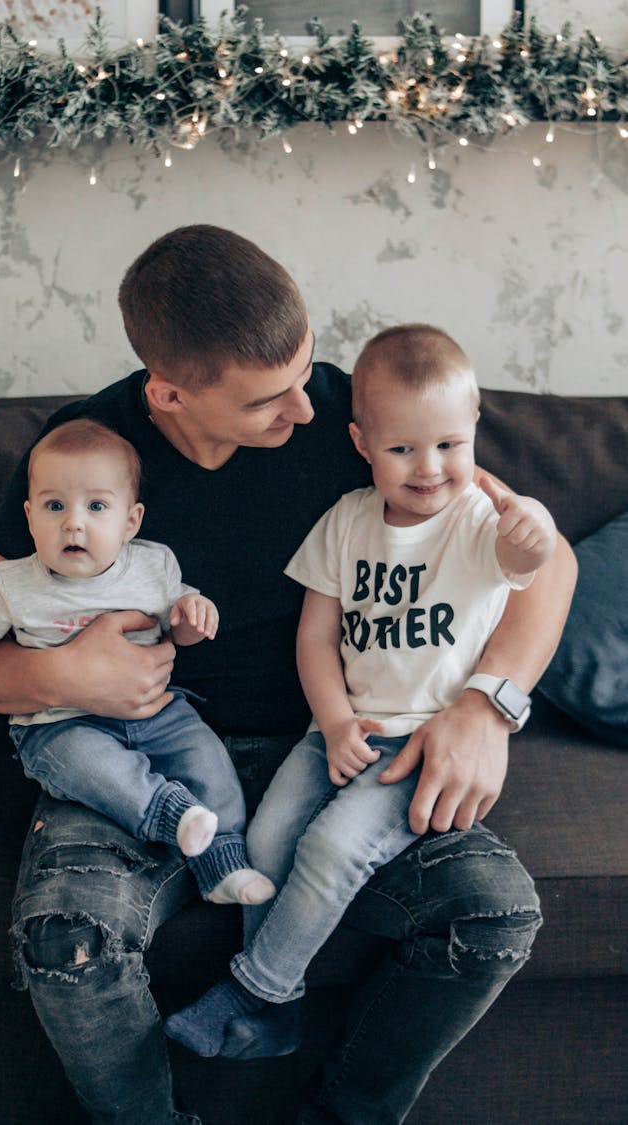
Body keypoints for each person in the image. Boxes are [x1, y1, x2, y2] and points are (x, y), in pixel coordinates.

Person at [0, 225, 576, 1125]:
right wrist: (68, 675)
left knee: (494, 914)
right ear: (170, 393)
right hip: (136, 753)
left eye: (306, 376)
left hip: (333, 744)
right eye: (271, 399)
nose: (305, 412)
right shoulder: (82, 458)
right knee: (66, 941)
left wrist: (487, 703)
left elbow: (546, 561)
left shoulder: (359, 418)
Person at [164, 323, 557, 1058]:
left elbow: (523, 553)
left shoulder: (479, 522)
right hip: (340, 731)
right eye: (402, 448)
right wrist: (336, 723)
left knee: (333, 845)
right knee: (267, 834)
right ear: (361, 442)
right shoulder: (346, 522)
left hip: (422, 741)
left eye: (448, 444)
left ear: (474, 430)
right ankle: (276, 1014)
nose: (429, 467)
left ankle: (256, 992)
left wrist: (530, 532)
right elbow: (315, 638)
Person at [0, 419, 274, 907]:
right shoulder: (13, 582)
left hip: (158, 713)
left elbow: (178, 626)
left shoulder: (154, 566)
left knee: (207, 760)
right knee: (89, 768)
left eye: (97, 506)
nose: (73, 522)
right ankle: (172, 814)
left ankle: (223, 865)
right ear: (28, 515)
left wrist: (192, 617)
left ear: (131, 520)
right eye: (54, 506)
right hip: (61, 725)